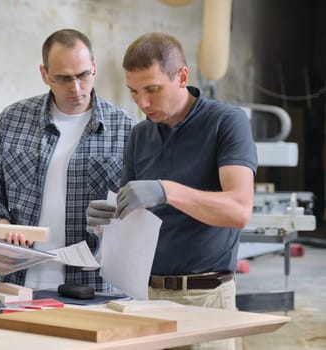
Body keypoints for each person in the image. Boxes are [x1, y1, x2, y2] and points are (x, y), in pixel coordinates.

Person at [86, 32, 257, 349]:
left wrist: (167, 190)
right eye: (134, 92)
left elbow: (239, 210)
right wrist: (106, 222)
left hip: (205, 298)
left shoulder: (226, 122)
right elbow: (133, 217)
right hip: (146, 296)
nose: (142, 103)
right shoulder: (140, 135)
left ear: (181, 76)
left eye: (152, 89)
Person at [0, 29, 135, 292]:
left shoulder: (125, 129)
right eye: (63, 78)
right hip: (19, 281)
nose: (76, 88)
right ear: (44, 75)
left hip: (94, 286)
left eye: (83, 75)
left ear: (94, 66)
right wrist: (1, 223)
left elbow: (138, 212)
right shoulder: (12, 121)